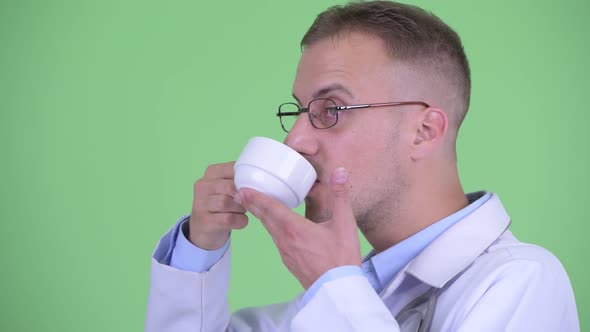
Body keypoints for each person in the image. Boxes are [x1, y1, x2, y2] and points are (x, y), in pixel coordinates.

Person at [145, 1, 579, 331]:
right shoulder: (333, 298)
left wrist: (334, 285)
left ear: (424, 131)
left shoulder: (522, 280)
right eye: (298, 110)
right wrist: (197, 251)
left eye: (331, 108)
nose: (295, 140)